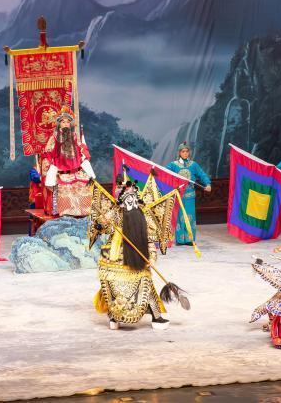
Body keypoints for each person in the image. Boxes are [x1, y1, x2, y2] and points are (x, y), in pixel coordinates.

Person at [90, 179, 179, 330]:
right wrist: (100, 224)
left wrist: (151, 257)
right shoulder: (115, 213)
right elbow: (101, 224)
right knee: (112, 286)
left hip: (137, 255)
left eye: (133, 199)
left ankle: (155, 317)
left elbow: (149, 240)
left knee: (145, 283)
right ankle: (115, 316)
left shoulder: (142, 215)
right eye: (127, 199)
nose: (130, 202)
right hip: (114, 256)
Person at [41, 107, 96, 216]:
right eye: (63, 122)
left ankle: (83, 216)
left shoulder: (74, 136)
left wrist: (84, 156)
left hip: (77, 172)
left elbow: (82, 150)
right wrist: (48, 170)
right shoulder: (54, 137)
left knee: (85, 190)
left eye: (68, 122)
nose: (65, 124)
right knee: (65, 199)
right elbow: (47, 154)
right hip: (62, 174)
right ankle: (66, 217)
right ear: (59, 124)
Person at [165, 142, 211, 245]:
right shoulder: (173, 165)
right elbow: (165, 173)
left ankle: (190, 239)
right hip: (178, 195)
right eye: (183, 151)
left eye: (187, 151)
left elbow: (202, 175)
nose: (185, 153)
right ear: (179, 153)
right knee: (179, 216)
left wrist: (208, 184)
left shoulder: (193, 165)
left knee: (190, 216)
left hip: (190, 195)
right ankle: (180, 240)